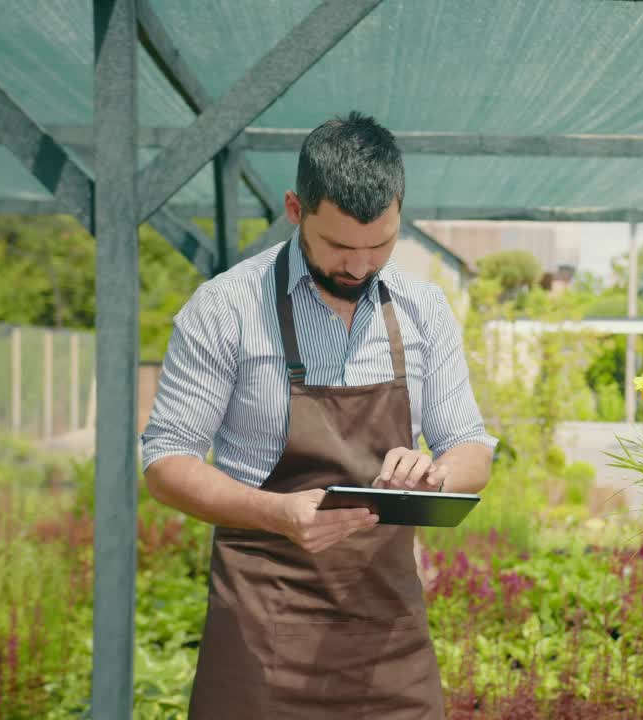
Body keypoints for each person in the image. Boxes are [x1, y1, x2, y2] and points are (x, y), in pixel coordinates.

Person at [140, 111, 496, 719]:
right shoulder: (226, 308)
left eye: (380, 245)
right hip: (262, 637)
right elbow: (165, 460)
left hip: (389, 641)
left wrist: (435, 476)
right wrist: (274, 512)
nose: (359, 266)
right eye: (339, 246)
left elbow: (471, 448)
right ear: (295, 209)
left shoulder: (423, 309)